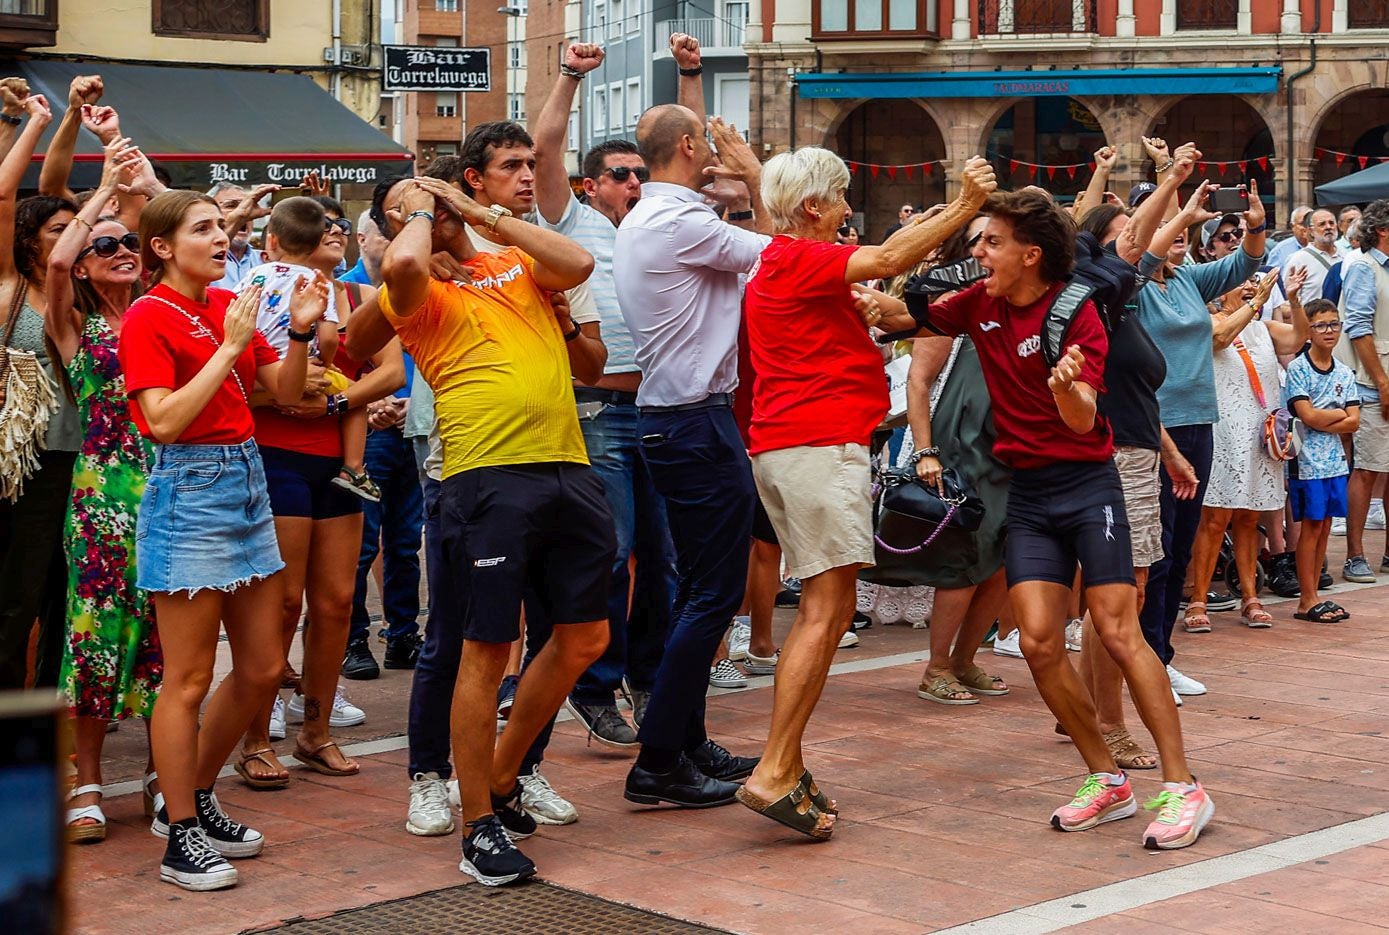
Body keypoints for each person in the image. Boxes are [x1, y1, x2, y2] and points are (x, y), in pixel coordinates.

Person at [878, 187, 1216, 851]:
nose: (979, 252)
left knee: (1118, 631)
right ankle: (1106, 777)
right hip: (1027, 493)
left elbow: (1085, 417)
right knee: (1036, 640)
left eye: (991, 242)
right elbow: (908, 315)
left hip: (1087, 488)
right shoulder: (981, 301)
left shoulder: (1075, 311)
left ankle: (1182, 786)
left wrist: (1067, 389)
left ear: (1028, 254)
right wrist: (866, 300)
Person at [734, 150, 995, 840]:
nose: (850, 212)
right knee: (824, 609)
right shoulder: (795, 256)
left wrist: (929, 240)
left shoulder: (787, 260)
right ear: (813, 207)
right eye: (843, 200)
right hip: (814, 446)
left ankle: (785, 762)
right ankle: (775, 766)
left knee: (830, 602)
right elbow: (884, 259)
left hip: (800, 446)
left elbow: (884, 277)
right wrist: (966, 206)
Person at [373, 173, 607, 885]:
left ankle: (503, 774)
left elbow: (577, 264)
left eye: (428, 198)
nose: (425, 208)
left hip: (567, 462)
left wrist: (479, 213)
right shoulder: (409, 289)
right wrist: (413, 212)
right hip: (485, 476)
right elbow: (407, 261)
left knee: (584, 638)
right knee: (486, 646)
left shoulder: (509, 261)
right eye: (406, 207)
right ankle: (476, 823)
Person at [119, 189, 328, 890]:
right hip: (191, 484)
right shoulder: (150, 315)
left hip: (246, 477)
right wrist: (233, 347)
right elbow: (165, 420)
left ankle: (195, 795)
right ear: (161, 246)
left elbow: (291, 393)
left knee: (265, 665)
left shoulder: (221, 304)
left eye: (221, 225)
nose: (222, 237)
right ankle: (179, 832)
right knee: (187, 677)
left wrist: (299, 332)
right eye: (203, 228)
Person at [612, 106, 770, 809]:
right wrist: (757, 176)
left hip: (678, 420)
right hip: (693, 423)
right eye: (705, 138)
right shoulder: (677, 221)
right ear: (686, 147)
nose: (714, 145)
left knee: (694, 590)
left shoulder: (659, 215)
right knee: (712, 595)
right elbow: (780, 256)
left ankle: (686, 739)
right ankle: (657, 762)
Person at [533, 42, 678, 752]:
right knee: (609, 551)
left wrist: (690, 75)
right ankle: (594, 688)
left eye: (640, 174)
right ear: (590, 185)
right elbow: (544, 147)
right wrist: (569, 77)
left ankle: (649, 678)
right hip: (596, 410)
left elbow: (691, 152)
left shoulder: (657, 225)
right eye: (620, 174)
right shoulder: (569, 223)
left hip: (658, 411)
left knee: (663, 554)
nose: (633, 182)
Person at [234, 200, 405, 790]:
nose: (333, 236)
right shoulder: (257, 290)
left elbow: (387, 369)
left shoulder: (355, 297)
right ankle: (256, 736)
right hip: (274, 456)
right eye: (325, 229)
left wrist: (333, 400)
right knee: (281, 604)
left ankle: (315, 732)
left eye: (340, 229)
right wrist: (284, 390)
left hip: (335, 460)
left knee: (335, 602)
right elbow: (243, 378)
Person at [45, 136, 163, 842]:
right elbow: (58, 257)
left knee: (165, 639)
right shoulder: (76, 324)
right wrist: (101, 194)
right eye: (108, 244)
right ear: (89, 264)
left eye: (131, 244)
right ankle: (86, 781)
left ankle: (161, 772)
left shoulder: (158, 311)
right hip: (101, 496)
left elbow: (161, 226)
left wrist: (131, 179)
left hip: (169, 487)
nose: (123, 249)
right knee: (92, 636)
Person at [1134, 168, 1267, 703]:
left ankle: (1160, 657)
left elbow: (1245, 263)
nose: (1181, 233)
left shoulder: (1189, 279)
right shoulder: (1133, 284)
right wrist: (1180, 210)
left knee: (1182, 544)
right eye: (1169, 225)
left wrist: (1255, 226)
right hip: (1155, 430)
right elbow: (1141, 260)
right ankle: (1144, 658)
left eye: (1185, 227)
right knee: (1157, 550)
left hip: (1199, 424)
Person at [903, 214, 1012, 707]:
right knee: (963, 563)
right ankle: (936, 667)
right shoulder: (952, 300)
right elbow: (918, 381)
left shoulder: (1015, 298)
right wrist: (926, 452)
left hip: (1009, 448)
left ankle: (966, 659)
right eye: (980, 240)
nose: (987, 249)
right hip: (962, 446)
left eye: (998, 240)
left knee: (1003, 563)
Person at [0, 92, 82, 693]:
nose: (75, 238)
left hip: (84, 459)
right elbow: (10, 196)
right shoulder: (7, 286)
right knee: (18, 593)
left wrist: (78, 119)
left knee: (69, 593)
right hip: (24, 462)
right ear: (30, 241)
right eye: (60, 230)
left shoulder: (81, 292)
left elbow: (59, 191)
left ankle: (52, 717)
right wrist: (35, 121)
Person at [1183, 268, 1308, 632]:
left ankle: (1251, 597)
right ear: (1222, 293)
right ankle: (1199, 598)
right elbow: (1220, 338)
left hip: (1259, 433)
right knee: (1214, 518)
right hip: (1223, 432)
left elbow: (1299, 337)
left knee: (1250, 517)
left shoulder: (1264, 328)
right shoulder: (1209, 320)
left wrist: (1295, 300)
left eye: (1256, 282)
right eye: (1245, 282)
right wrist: (1256, 302)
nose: (1253, 286)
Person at [238, 197, 378, 501]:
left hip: (263, 366)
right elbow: (328, 337)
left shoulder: (254, 275)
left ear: (271, 240)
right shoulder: (318, 283)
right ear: (317, 242)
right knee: (355, 397)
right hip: (305, 365)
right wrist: (327, 362)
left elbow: (237, 317)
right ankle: (354, 468)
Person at [1288, 299, 1360, 621]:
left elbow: (1355, 420)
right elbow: (1306, 415)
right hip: (1307, 460)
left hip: (1335, 461)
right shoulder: (1298, 368)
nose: (1328, 331)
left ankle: (1315, 593)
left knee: (1327, 525)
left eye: (1334, 324)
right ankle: (1306, 599)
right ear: (1309, 330)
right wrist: (1337, 413)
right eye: (1320, 325)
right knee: (1312, 526)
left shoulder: (1344, 371)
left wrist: (1325, 416)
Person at [1341, 199, 1389, 583]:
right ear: (1384, 230)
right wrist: (1383, 383)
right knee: (1367, 468)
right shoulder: (1361, 266)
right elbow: (1358, 329)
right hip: (1373, 383)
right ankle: (1355, 555)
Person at [208, 183, 274, 290]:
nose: (244, 213)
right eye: (231, 205)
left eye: (247, 206)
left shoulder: (266, 260)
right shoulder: (202, 260)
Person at [1283, 208, 1342, 302]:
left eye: (1331, 223)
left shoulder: (1347, 256)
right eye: (1322, 224)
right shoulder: (1299, 259)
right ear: (1310, 231)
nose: (1328, 227)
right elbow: (1289, 299)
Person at [1267, 204, 1313, 269]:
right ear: (1292, 226)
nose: (1307, 227)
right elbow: (1270, 277)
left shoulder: (1327, 247)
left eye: (1311, 224)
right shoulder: (1280, 250)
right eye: (1303, 224)